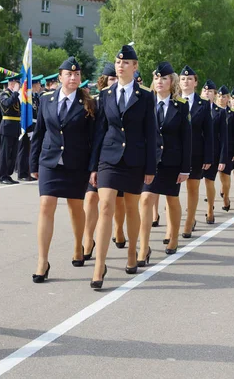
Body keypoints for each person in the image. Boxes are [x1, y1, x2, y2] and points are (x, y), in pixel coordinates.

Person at [89, 45, 156, 288]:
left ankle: (131, 253)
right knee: (105, 205)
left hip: (135, 160)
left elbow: (150, 133)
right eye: (118, 62)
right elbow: (100, 131)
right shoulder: (106, 94)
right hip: (108, 157)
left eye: (126, 62)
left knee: (131, 209)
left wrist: (151, 167)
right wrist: (94, 166)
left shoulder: (146, 96)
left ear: (135, 67)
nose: (120, 66)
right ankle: (99, 265)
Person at [29, 57, 96, 282]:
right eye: (69, 74)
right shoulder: (47, 99)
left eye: (77, 75)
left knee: (75, 207)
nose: (73, 78)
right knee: (46, 204)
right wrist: (33, 162)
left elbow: (94, 138)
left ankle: (79, 245)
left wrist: (92, 166)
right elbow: (39, 132)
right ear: (60, 77)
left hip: (76, 163)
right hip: (49, 160)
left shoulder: (88, 102)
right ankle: (42, 260)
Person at [140, 62, 191, 257]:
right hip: (150, 161)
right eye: (156, 78)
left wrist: (185, 168)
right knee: (145, 199)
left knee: (172, 200)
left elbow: (186, 138)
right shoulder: (146, 103)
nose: (159, 82)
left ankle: (174, 237)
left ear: (172, 82)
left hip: (172, 162)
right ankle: (144, 246)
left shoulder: (181, 106)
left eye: (164, 78)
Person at [83, 63, 124, 260]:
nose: (115, 82)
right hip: (95, 157)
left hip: (116, 157)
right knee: (91, 198)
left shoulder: (124, 100)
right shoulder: (95, 102)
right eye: (111, 79)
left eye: (117, 78)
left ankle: (119, 229)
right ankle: (88, 238)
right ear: (104, 81)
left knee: (119, 200)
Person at [178, 65, 212, 238]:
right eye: (183, 79)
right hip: (175, 153)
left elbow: (209, 133)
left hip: (196, 153)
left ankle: (189, 221)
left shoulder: (203, 105)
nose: (186, 81)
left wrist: (208, 156)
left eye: (189, 79)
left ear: (195, 82)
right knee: (171, 191)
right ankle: (173, 223)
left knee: (192, 187)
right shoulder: (173, 101)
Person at [201, 80, 228, 224]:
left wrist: (223, 159)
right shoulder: (194, 108)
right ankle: (191, 216)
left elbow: (224, 137)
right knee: (191, 184)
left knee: (209, 182)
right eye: (205, 91)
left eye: (210, 91)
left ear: (214, 94)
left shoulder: (219, 112)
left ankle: (210, 209)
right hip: (196, 151)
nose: (207, 93)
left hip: (213, 152)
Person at [217, 85, 234, 212]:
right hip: (214, 147)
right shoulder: (211, 110)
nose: (221, 98)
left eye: (223, 96)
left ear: (228, 98)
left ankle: (226, 197)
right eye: (219, 96)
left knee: (225, 175)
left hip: (227, 149)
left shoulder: (232, 113)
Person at [0, 74, 21, 184]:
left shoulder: (13, 95)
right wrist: (15, 93)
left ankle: (8, 174)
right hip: (7, 126)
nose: (19, 86)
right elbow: (6, 104)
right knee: (5, 153)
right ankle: (2, 176)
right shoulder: (3, 94)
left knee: (13, 153)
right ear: (11, 83)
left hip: (15, 126)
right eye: (17, 84)